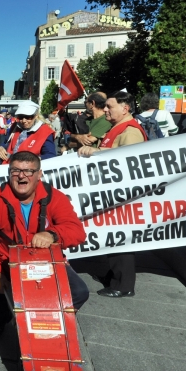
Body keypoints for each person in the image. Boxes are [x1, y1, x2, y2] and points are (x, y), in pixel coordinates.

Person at [0, 151, 90, 336]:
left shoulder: (54, 197)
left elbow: (77, 232)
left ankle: (50, 324)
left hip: (46, 261)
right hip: (10, 261)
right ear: (8, 173)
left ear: (39, 174)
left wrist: (52, 234)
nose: (21, 176)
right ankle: (0, 321)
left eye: (29, 171)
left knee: (79, 292)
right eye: (16, 170)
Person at [78, 91, 147, 297]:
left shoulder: (131, 131)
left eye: (110, 106)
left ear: (125, 109)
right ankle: (115, 276)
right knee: (113, 237)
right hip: (111, 194)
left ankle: (123, 285)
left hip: (121, 197)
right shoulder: (116, 128)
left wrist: (96, 152)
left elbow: (129, 160)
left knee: (120, 238)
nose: (105, 109)